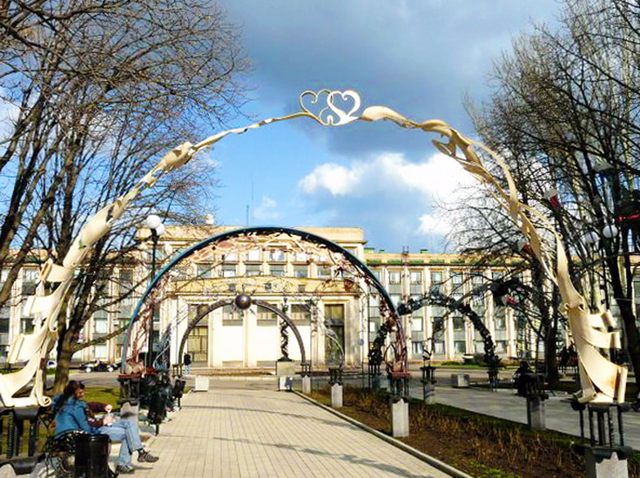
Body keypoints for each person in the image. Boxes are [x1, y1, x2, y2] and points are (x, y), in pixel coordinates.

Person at [53, 380, 159, 474]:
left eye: (83, 391)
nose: (83, 394)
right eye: (80, 392)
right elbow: (87, 428)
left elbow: (88, 406)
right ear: (73, 393)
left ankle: (140, 453)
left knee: (129, 424)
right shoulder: (75, 407)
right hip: (92, 433)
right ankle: (127, 462)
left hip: (92, 427)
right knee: (128, 433)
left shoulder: (71, 402)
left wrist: (103, 406)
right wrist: (102, 422)